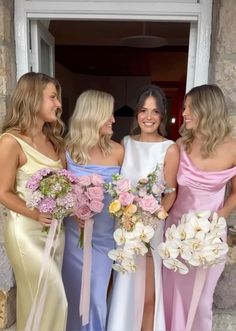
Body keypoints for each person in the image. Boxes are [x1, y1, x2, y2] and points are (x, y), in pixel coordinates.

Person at [163, 84, 236, 331]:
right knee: (173, 296)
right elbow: (170, 193)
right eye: (184, 108)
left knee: (203, 301)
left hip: (211, 235)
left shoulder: (234, 148)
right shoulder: (180, 146)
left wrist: (219, 217)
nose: (184, 113)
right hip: (176, 234)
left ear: (207, 109)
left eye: (189, 108)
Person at [107, 85, 179, 331]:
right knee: (124, 285)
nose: (149, 117)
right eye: (143, 110)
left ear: (163, 115)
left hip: (151, 227)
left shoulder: (169, 148)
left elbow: (171, 192)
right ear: (137, 114)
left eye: (155, 111)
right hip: (125, 227)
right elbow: (117, 184)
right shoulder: (125, 142)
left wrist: (153, 219)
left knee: (149, 292)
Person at [0, 72, 68, 331]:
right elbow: (3, 192)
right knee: (55, 297)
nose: (58, 104)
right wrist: (35, 213)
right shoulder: (10, 142)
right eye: (52, 97)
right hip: (26, 232)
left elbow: (65, 187)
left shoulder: (55, 142)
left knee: (42, 302)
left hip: (54, 232)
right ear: (32, 99)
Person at [62, 89, 124, 331]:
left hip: (105, 239)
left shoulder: (118, 150)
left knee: (97, 299)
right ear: (93, 115)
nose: (113, 119)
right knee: (73, 296)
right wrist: (71, 210)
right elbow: (57, 190)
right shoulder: (66, 150)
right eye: (109, 114)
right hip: (73, 237)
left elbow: (124, 194)